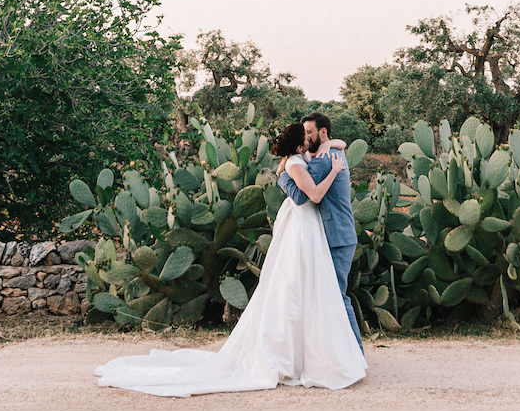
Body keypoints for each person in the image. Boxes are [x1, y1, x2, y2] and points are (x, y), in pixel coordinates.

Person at [93, 120, 367, 396]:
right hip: (302, 224)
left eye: (312, 135)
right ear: (298, 145)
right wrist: (328, 171)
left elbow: (331, 149)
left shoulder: (308, 155)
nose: (310, 140)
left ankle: (320, 353)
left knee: (309, 289)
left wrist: (326, 148)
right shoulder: (302, 162)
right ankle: (316, 355)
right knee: (298, 286)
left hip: (307, 227)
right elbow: (310, 196)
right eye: (305, 137)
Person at [276, 111, 362, 349]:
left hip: (336, 236)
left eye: (310, 133)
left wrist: (280, 176)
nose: (306, 137)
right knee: (328, 296)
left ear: (323, 132)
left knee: (336, 296)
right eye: (304, 134)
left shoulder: (326, 159)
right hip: (333, 235)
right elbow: (329, 147)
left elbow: (304, 195)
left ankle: (355, 353)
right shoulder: (330, 152)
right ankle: (337, 352)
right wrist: (333, 143)